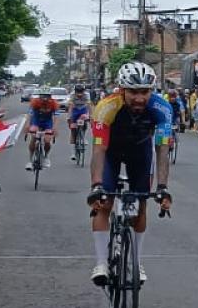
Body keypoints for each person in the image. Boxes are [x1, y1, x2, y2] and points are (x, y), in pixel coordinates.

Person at [87, 62, 172, 285]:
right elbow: (99, 149)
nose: (139, 98)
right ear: (122, 90)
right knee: (104, 203)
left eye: (145, 92)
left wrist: (162, 187)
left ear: (151, 91)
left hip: (140, 154)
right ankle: (102, 263)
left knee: (140, 206)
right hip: (110, 153)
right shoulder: (106, 107)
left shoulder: (161, 108)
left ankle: (136, 261)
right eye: (133, 92)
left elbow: (162, 148)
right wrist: (97, 185)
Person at [25, 89, 58, 169]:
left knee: (47, 140)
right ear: (40, 96)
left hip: (47, 122)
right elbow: (30, 115)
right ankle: (30, 160)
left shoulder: (53, 104)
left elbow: (55, 117)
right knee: (33, 137)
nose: (45, 98)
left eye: (47, 96)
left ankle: (46, 157)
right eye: (43, 96)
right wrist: (27, 125)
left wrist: (55, 127)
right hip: (36, 121)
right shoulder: (35, 103)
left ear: (50, 96)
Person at [68, 86, 91, 160]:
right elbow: (70, 106)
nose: (79, 94)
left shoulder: (87, 95)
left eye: (81, 92)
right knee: (73, 130)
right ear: (75, 92)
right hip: (75, 110)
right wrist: (69, 117)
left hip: (83, 110)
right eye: (78, 92)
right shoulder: (72, 95)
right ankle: (73, 152)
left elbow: (89, 105)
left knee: (84, 122)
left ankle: (83, 137)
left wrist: (91, 115)